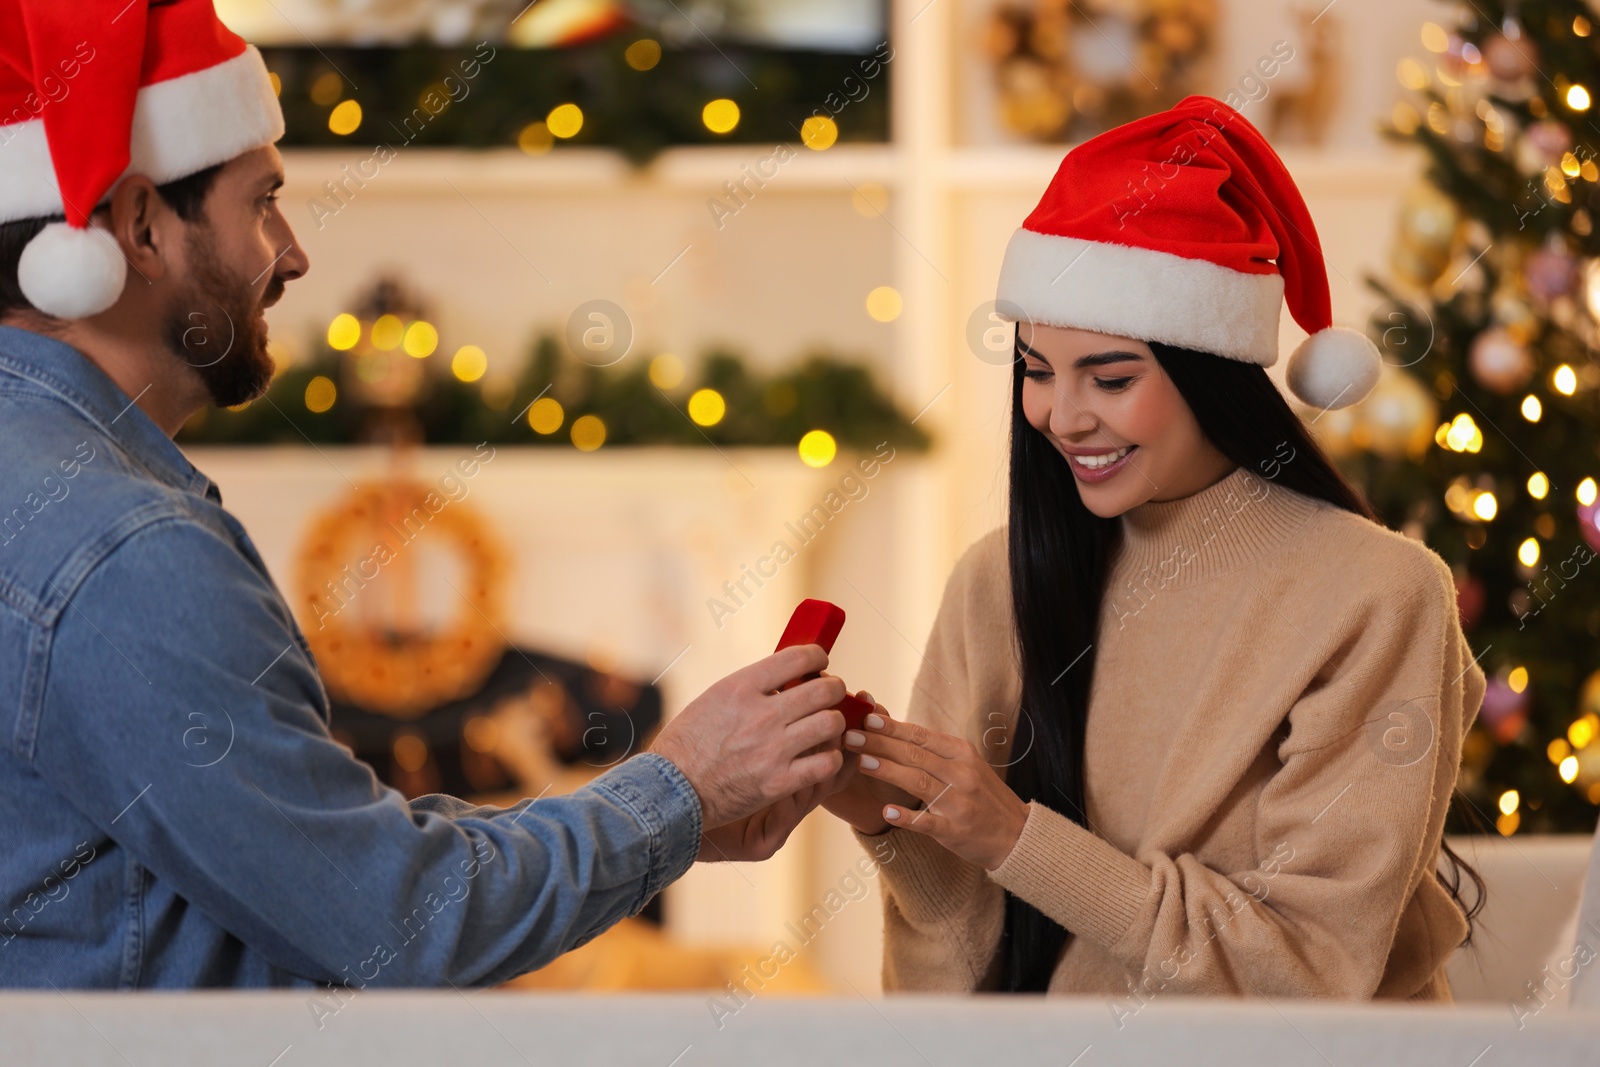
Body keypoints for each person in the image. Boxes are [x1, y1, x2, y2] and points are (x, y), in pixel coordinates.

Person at [0, 1, 849, 989]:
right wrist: (683, 787)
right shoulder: (126, 547)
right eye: (262, 200)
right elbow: (393, 919)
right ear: (141, 226)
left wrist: (656, 811)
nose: (292, 252)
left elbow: (317, 855)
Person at [819, 95, 1489, 1001]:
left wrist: (1018, 836)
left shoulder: (1377, 592)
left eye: (1113, 376)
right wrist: (894, 819)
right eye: (1036, 370)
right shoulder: (996, 577)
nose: (1062, 414)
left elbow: (1310, 969)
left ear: (1211, 374)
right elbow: (965, 977)